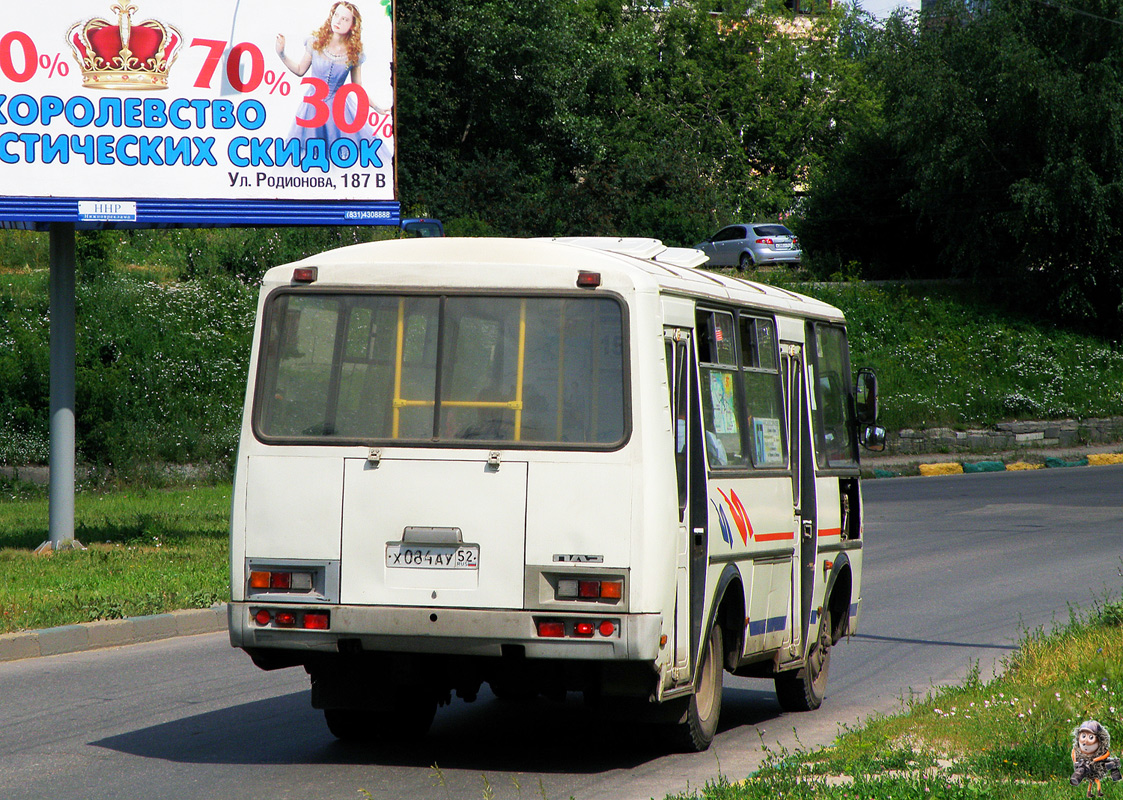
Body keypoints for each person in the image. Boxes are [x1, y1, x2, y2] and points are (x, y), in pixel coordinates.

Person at [275, 2, 389, 157]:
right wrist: (282, 54)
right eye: (336, 15)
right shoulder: (315, 43)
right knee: (310, 154)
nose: (338, 21)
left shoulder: (354, 53)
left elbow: (357, 87)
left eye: (345, 19)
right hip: (312, 108)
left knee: (341, 154)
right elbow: (300, 70)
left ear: (352, 25)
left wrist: (376, 107)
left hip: (339, 111)